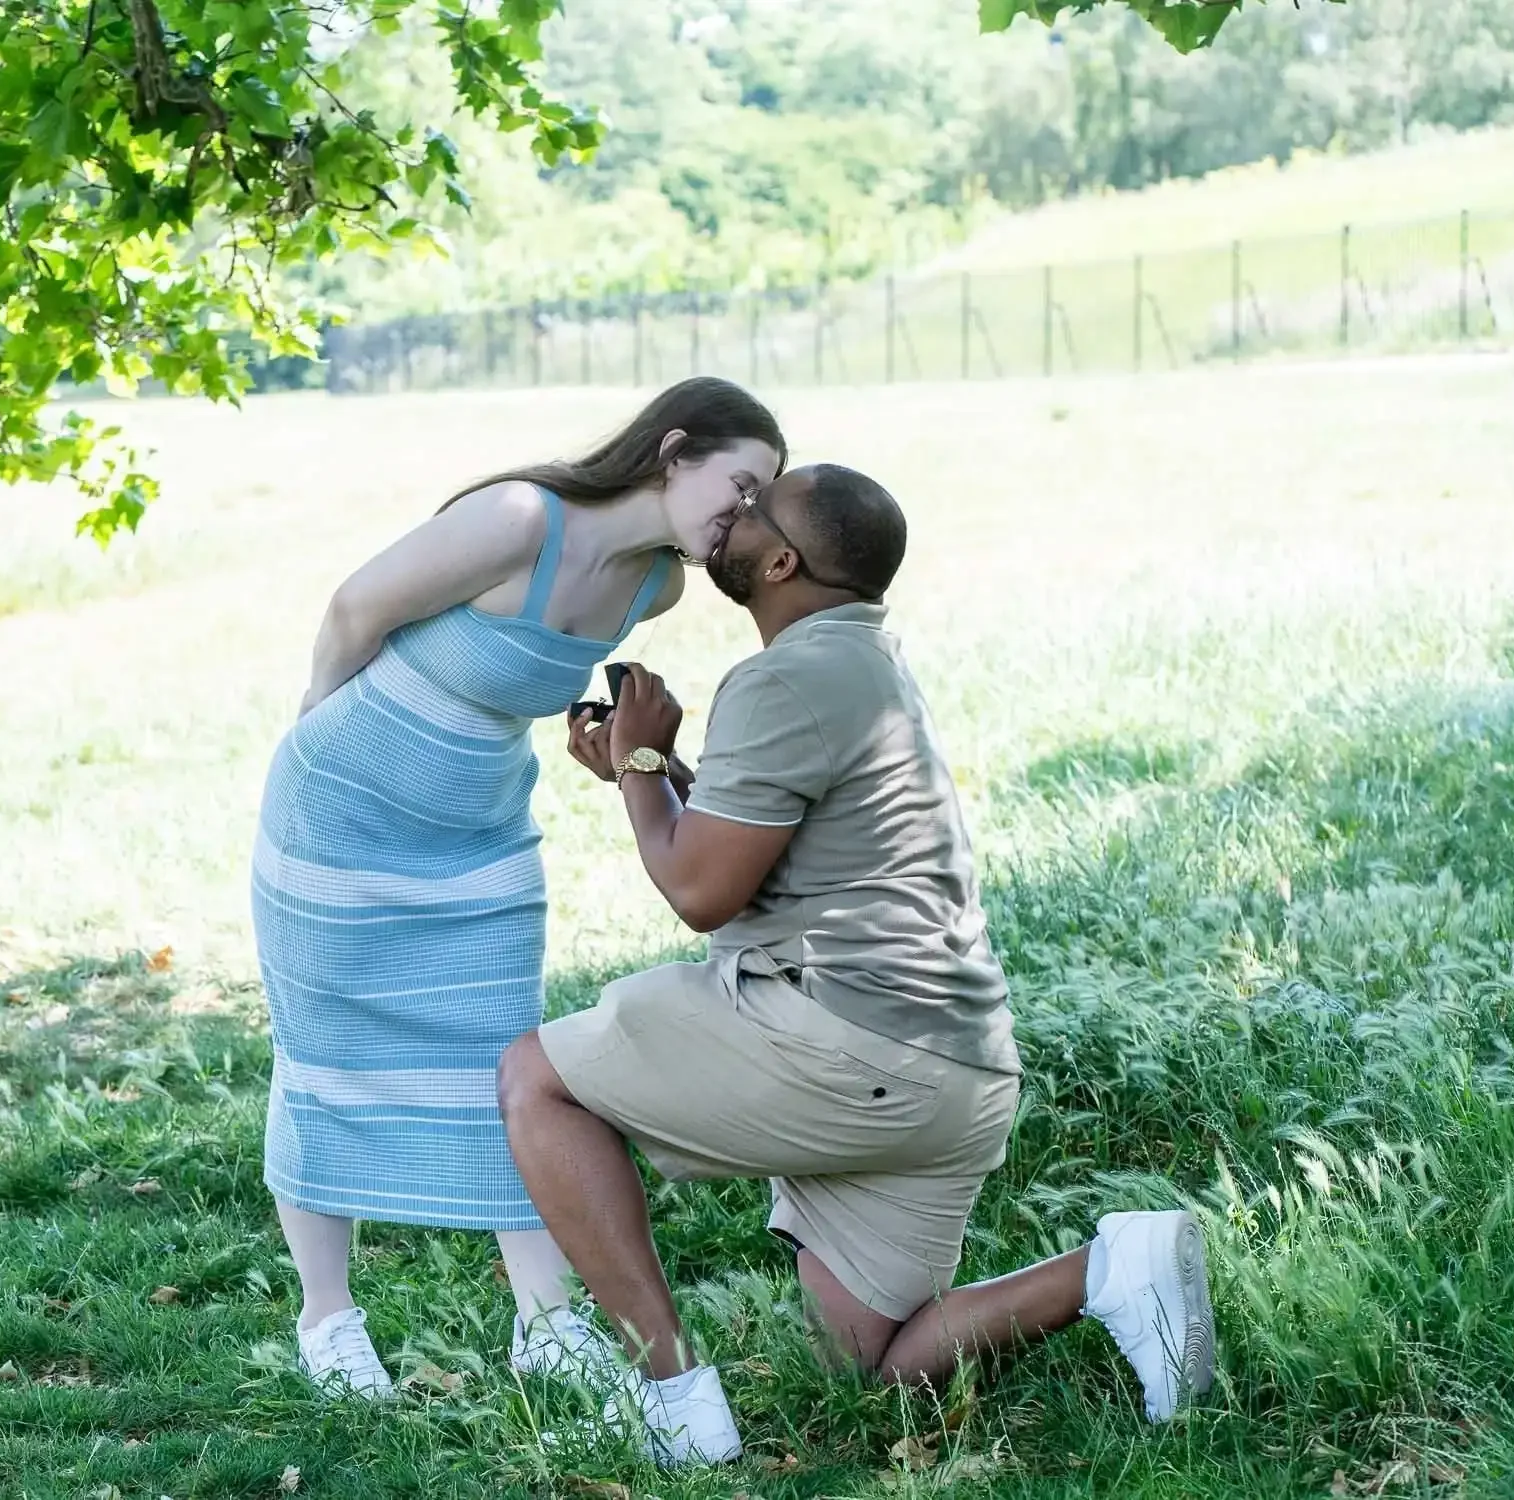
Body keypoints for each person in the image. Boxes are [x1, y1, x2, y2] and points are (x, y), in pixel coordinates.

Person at [497, 463, 1215, 1464]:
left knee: (536, 1080)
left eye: (754, 508)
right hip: (953, 1073)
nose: (734, 511)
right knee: (875, 1362)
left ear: (782, 558)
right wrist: (643, 773)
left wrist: (644, 765)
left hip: (853, 1048)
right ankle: (1110, 1270)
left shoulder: (783, 676)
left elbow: (702, 893)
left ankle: (671, 1400)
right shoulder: (862, 664)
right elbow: (752, 867)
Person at [253, 379, 788, 1399]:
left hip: (477, 835)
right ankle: (330, 1321)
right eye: (740, 482)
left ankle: (546, 1325)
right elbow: (356, 608)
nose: (745, 512)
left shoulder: (656, 589)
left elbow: (510, 675)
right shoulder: (519, 520)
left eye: (762, 501)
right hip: (339, 813)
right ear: (674, 451)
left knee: (505, 1059)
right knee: (322, 1050)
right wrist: (322, 731)